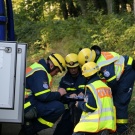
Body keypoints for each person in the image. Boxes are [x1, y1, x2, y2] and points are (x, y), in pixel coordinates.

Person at [77, 45, 135, 134]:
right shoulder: (96, 56)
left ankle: (122, 131)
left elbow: (112, 83)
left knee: (120, 102)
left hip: (127, 71)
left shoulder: (102, 64)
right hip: (123, 71)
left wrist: (109, 95)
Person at [18, 53, 67, 135]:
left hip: (24, 102)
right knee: (58, 107)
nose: (56, 74)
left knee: (53, 104)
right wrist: (59, 94)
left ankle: (28, 126)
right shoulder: (40, 73)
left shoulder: (39, 69)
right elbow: (43, 96)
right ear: (52, 66)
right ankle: (31, 128)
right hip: (26, 104)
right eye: (57, 71)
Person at [73, 61, 116, 135]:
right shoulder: (106, 87)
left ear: (87, 76)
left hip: (94, 124)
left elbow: (90, 106)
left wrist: (79, 104)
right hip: (107, 124)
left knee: (77, 131)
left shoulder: (91, 87)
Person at [53, 53, 86, 135]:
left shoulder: (85, 76)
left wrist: (84, 94)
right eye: (71, 68)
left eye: (75, 67)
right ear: (67, 68)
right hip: (71, 109)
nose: (73, 70)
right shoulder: (64, 80)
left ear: (78, 66)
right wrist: (68, 96)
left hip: (84, 109)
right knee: (61, 130)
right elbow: (61, 96)